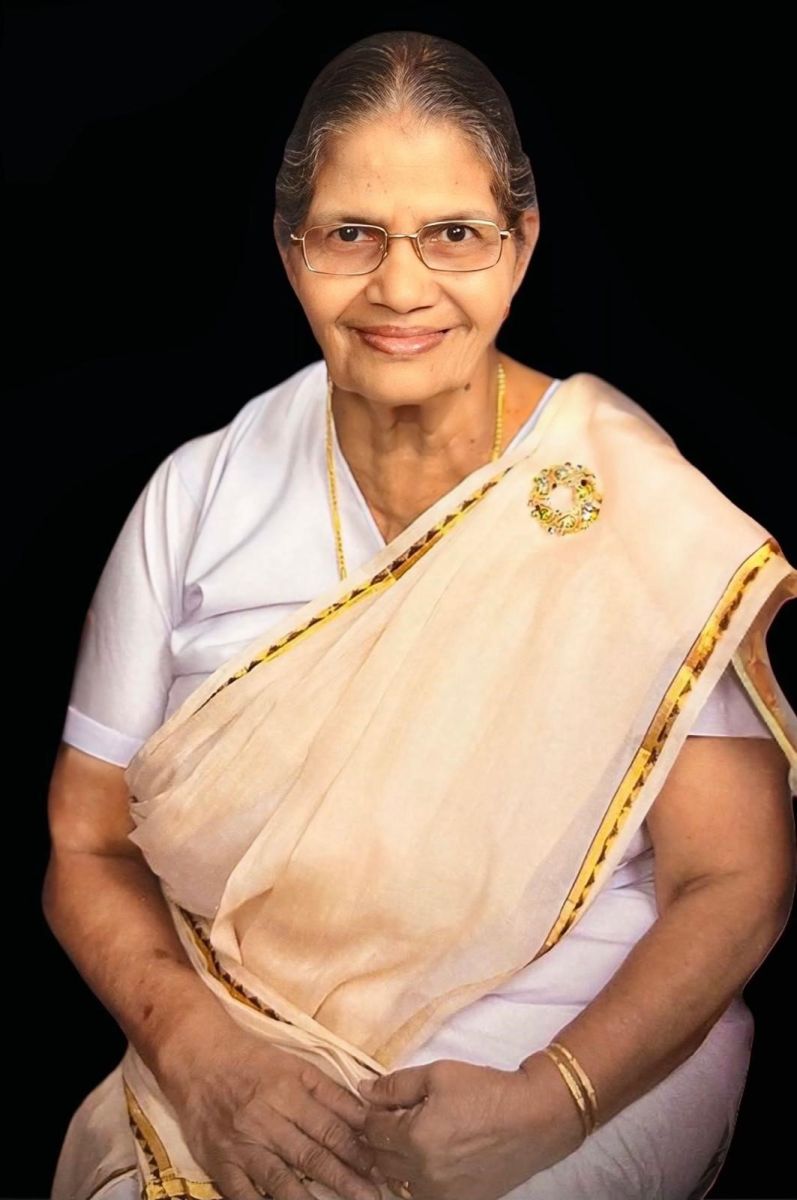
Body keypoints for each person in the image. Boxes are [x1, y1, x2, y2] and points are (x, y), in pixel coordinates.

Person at [44, 29, 796, 1200]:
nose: (400, 289)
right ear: (291, 250)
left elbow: (734, 876)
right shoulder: (198, 499)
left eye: (453, 234)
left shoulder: (627, 501)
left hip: (574, 1048)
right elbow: (85, 845)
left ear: (520, 245)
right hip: (247, 1051)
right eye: (351, 235)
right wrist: (201, 1059)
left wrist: (550, 1101)